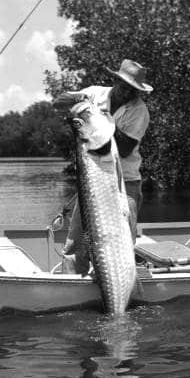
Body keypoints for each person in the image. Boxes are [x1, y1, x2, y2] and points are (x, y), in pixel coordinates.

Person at [53, 59, 152, 273]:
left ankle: (121, 285)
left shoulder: (140, 111)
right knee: (76, 241)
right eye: (125, 85)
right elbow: (58, 103)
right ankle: (71, 285)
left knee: (121, 244)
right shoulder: (94, 94)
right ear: (115, 80)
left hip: (125, 181)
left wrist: (97, 122)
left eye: (134, 89)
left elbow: (125, 148)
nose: (128, 92)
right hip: (93, 179)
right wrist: (75, 105)